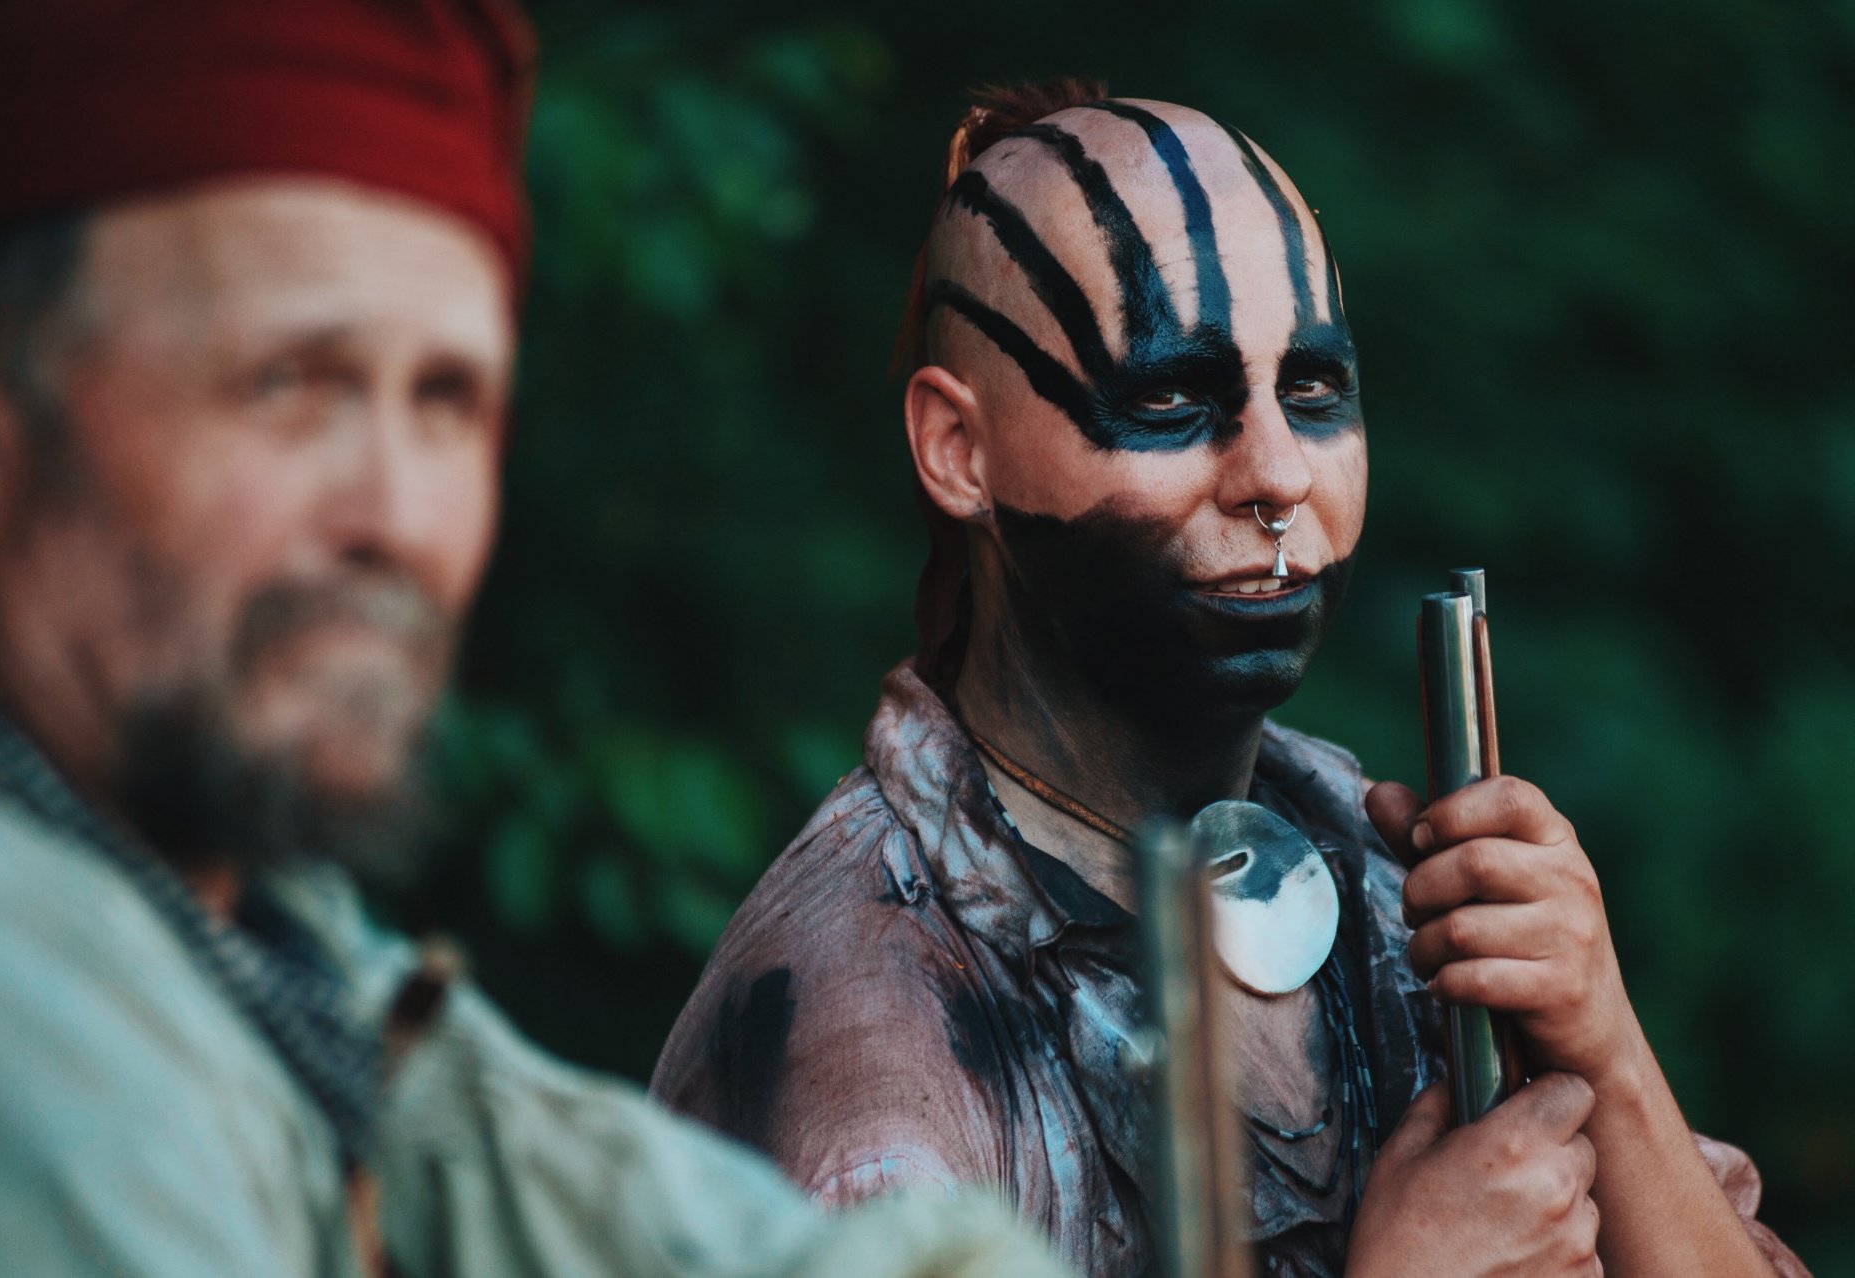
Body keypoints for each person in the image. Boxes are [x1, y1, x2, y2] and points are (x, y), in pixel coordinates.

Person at [0, 6, 1070, 1276]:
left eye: (446, 402)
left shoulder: (245, 930)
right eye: (290, 384)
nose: (398, 520)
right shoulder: (2, 1016)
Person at [651, 81, 1809, 1278]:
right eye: (1168, 400)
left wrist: (1605, 1055)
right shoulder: (867, 1029)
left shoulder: (1391, 883)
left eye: (1312, 392)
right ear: (960, 449)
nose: (1277, 475)